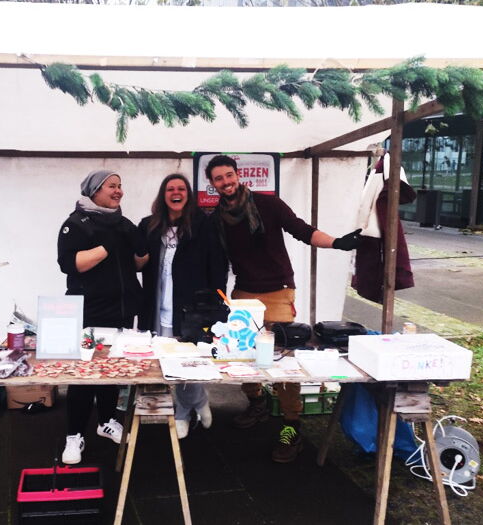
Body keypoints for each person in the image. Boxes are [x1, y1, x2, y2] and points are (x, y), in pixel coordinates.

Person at [205, 154, 362, 463]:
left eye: (229, 175)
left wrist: (337, 243)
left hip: (278, 290)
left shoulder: (268, 204)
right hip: (244, 291)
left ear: (238, 175)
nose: (226, 182)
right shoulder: (215, 219)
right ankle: (256, 403)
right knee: (244, 353)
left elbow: (302, 230)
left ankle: (291, 426)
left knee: (284, 361)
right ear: (213, 184)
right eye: (219, 179)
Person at [56, 169, 148, 465]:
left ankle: (107, 421)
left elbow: (137, 264)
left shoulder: (123, 223)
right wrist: (106, 246)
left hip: (121, 312)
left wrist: (142, 247)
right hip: (90, 313)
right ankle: (74, 435)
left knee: (112, 373)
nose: (119, 190)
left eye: (120, 186)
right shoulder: (75, 223)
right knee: (84, 376)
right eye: (112, 186)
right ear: (94, 190)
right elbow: (70, 264)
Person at [137, 174, 228, 438]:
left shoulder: (204, 225)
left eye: (181, 188)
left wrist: (216, 302)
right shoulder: (148, 226)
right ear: (163, 195)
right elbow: (138, 260)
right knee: (164, 361)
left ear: (188, 194)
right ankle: (197, 401)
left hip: (192, 309)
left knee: (188, 361)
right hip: (157, 306)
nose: (175, 193)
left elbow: (218, 265)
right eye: (170, 189)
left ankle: (183, 412)